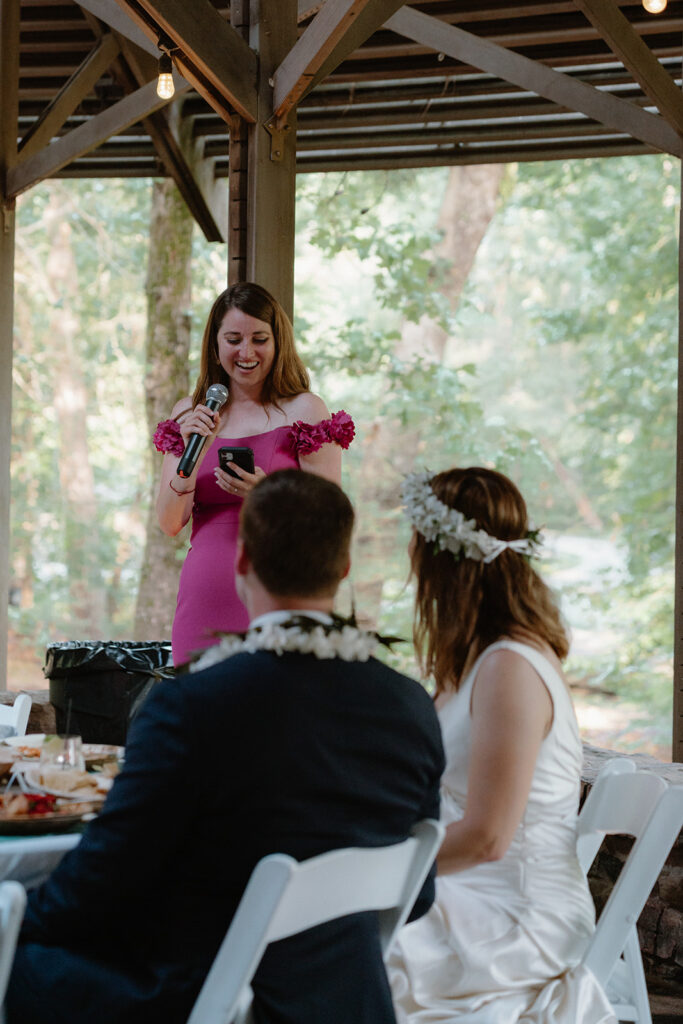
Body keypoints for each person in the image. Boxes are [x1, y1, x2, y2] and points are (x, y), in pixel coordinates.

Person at [7, 470, 444, 1024]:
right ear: (344, 569)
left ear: (242, 562)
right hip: (347, 999)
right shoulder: (408, 706)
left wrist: (14, 919)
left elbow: (102, 880)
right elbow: (419, 896)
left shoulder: (191, 705)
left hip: (206, 998)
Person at [388, 467, 616, 1024]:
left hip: (510, 914)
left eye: (418, 546)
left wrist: (378, 865)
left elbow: (489, 838)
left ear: (444, 560)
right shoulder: (472, 662)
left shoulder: (510, 668)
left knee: (323, 948)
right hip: (465, 892)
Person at [153, 281, 355, 666]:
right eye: (233, 339)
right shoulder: (189, 414)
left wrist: (271, 496)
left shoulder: (306, 411)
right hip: (203, 600)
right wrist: (192, 456)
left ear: (277, 342)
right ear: (215, 345)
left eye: (259, 338)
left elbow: (330, 524)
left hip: (280, 597)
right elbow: (169, 522)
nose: (246, 352)